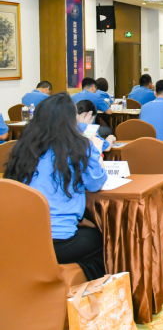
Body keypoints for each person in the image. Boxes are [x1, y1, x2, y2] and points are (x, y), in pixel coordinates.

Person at [4, 93, 107, 280]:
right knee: (105, 239)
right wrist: (95, 149)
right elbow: (95, 183)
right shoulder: (79, 147)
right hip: (58, 242)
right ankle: (78, 286)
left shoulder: (24, 149)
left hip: (21, 238)